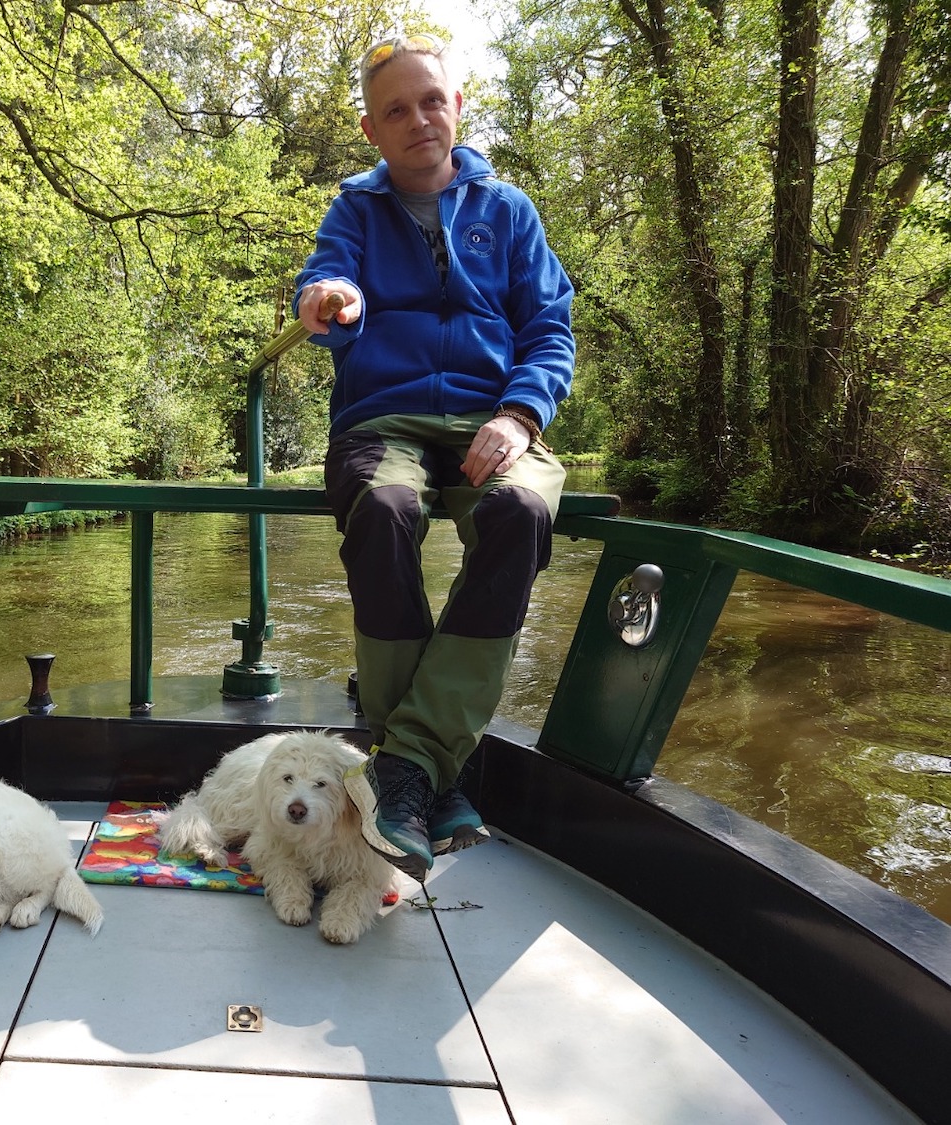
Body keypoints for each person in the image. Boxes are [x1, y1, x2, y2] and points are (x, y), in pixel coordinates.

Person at [294, 33, 574, 882]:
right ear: (373, 131)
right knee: (384, 510)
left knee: (521, 512)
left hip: (495, 419)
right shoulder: (355, 210)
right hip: (387, 421)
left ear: (456, 106)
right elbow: (323, 278)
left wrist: (522, 415)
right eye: (395, 110)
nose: (418, 120)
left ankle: (405, 763)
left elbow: (549, 328)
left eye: (432, 101)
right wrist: (325, 297)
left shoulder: (509, 210)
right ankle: (430, 771)